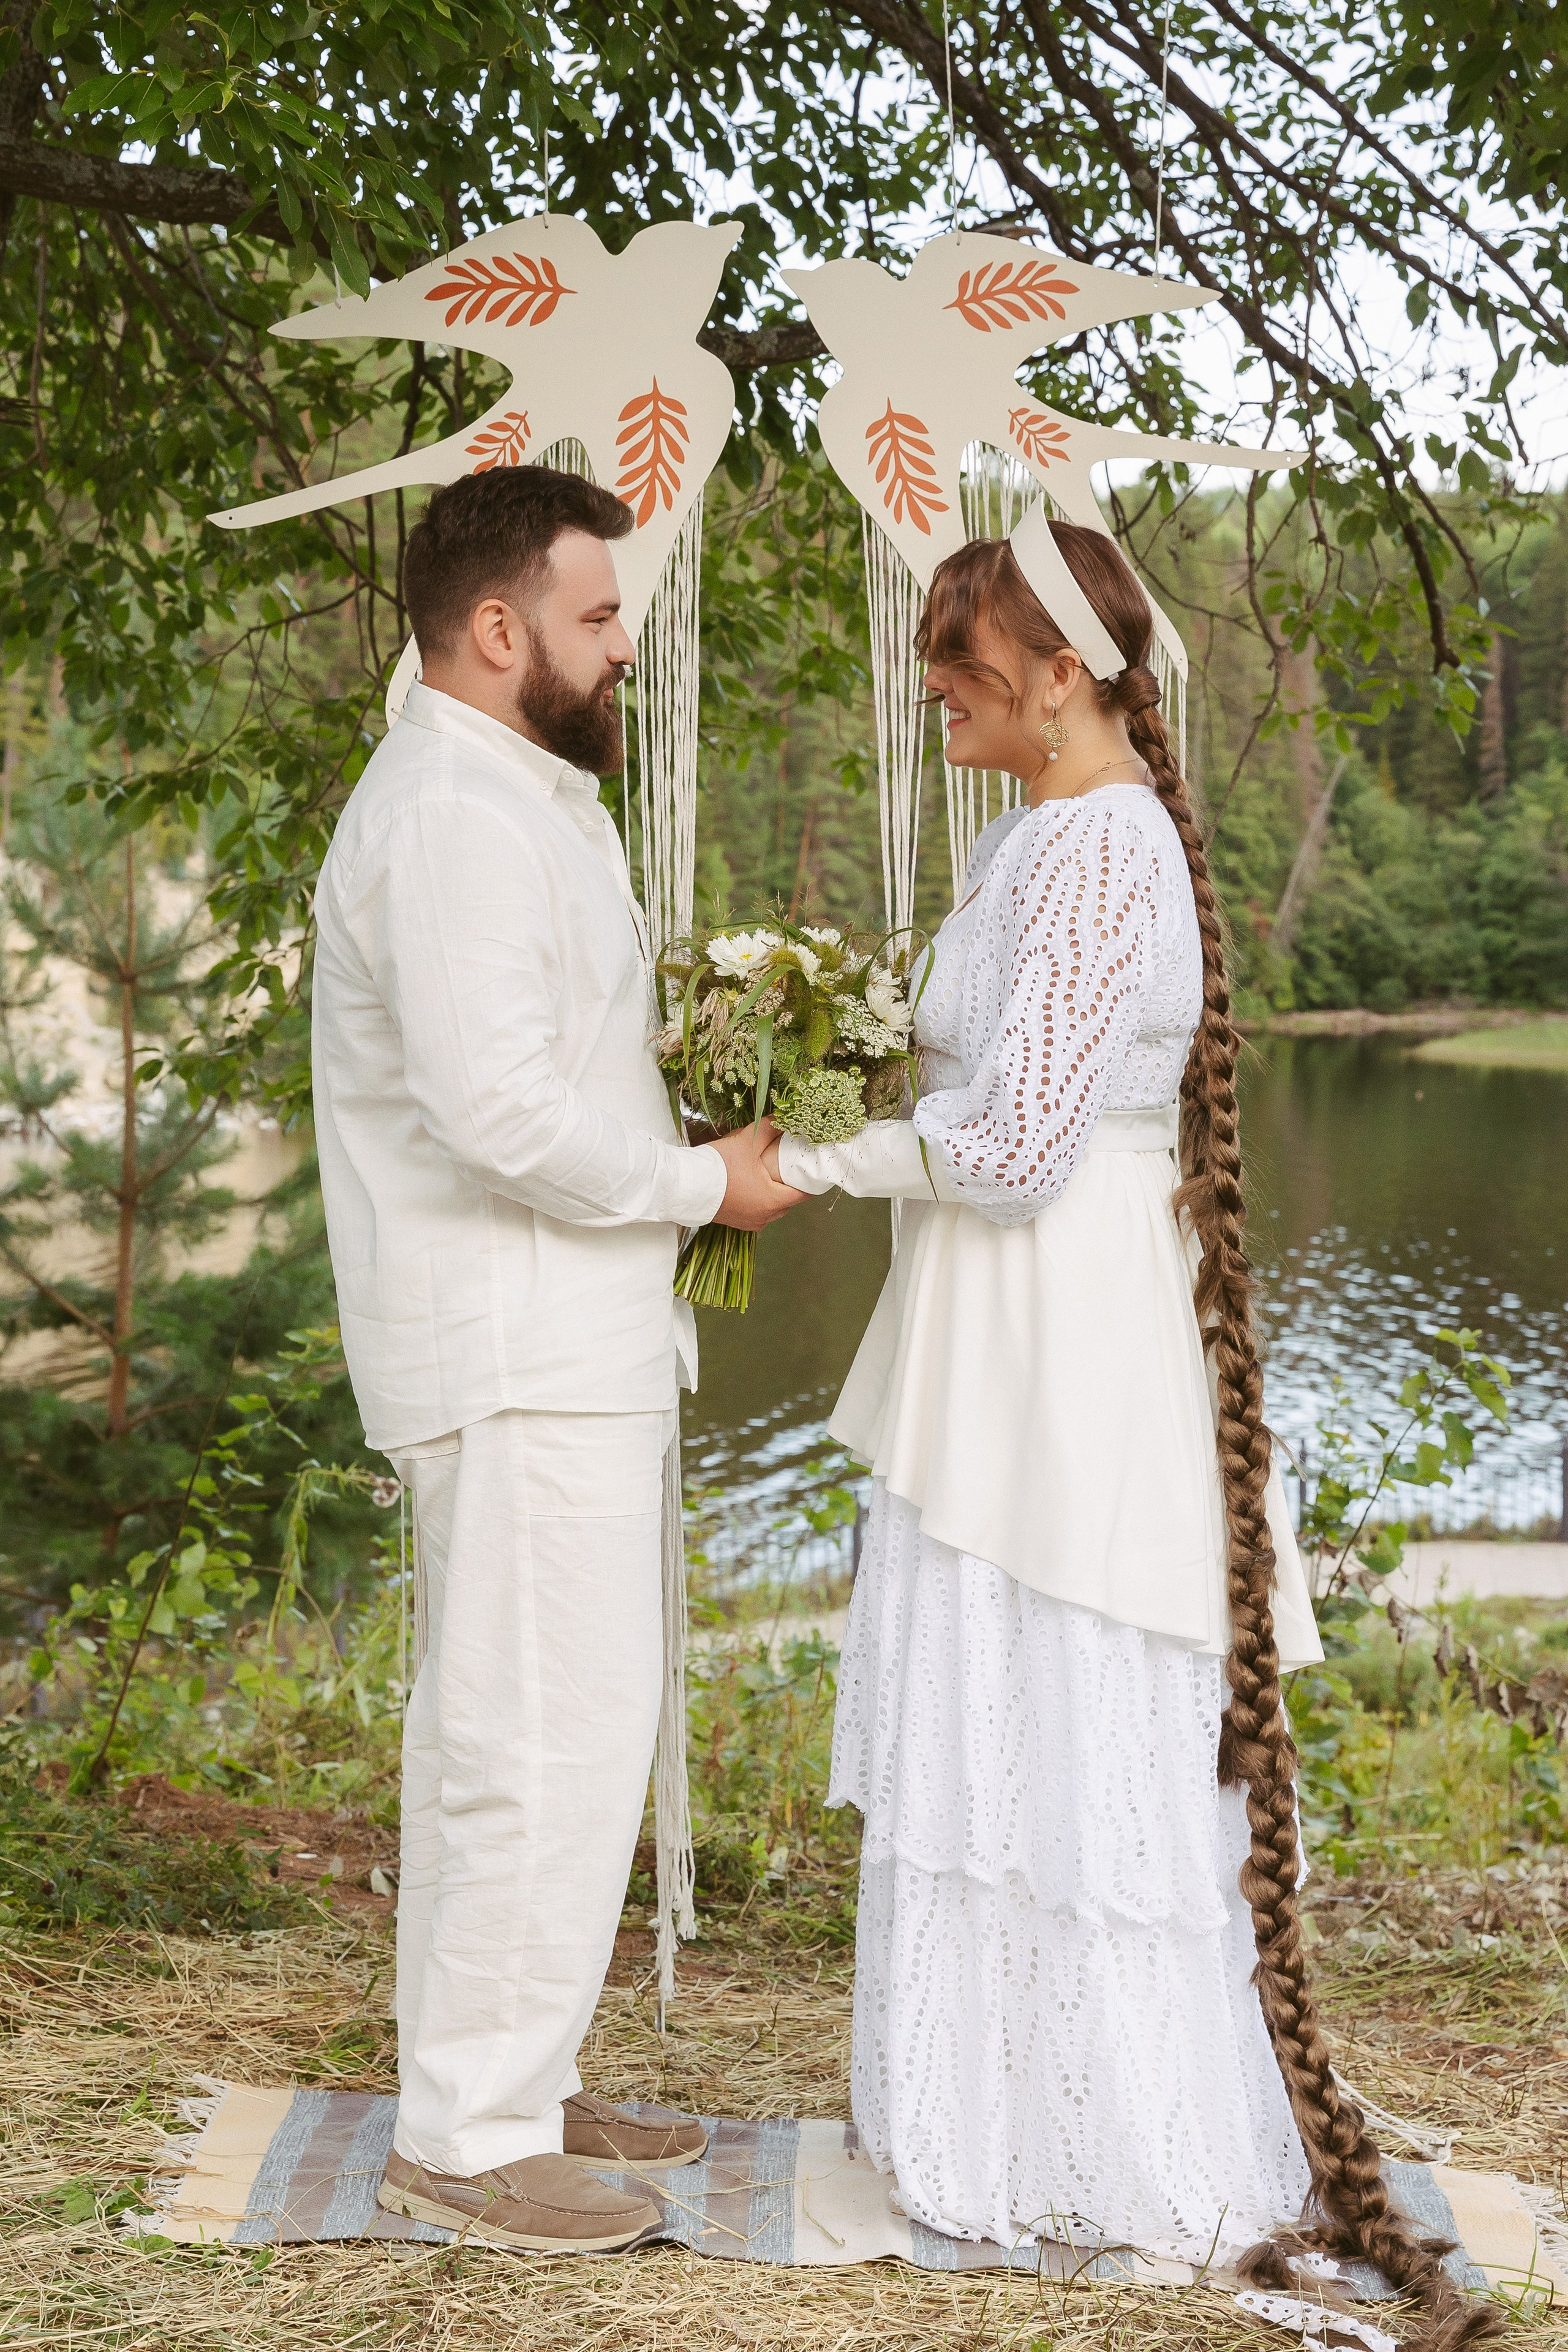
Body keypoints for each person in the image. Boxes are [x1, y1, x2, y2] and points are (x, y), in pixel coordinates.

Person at [766, 518, 1493, 2347]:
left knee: (1064, 1690)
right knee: (999, 1702)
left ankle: (1098, 2144)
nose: (935, 690)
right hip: (1008, 1313)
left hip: (1060, 1328)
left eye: (959, 662)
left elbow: (1019, 1150)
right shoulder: (1039, 836)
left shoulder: (1099, 850)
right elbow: (1001, 1084)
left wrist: (812, 1160)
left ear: (1060, 673)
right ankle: (996, 2119)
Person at [311, 467, 802, 2253]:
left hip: (561, 1336)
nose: (623, 648)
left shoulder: (519, 792)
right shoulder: (449, 813)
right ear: (495, 627)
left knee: (530, 1728)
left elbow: (551, 1064)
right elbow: (499, 1113)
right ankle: (468, 2134)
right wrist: (702, 1183)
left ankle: (513, 2074)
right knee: (535, 1737)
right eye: (597, 619)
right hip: (511, 1342)